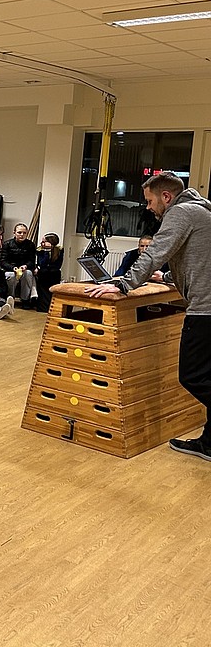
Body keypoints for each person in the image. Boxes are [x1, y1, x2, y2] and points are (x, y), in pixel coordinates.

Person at [85, 172, 211, 461]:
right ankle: (210, 443)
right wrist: (166, 277)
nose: (148, 207)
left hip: (205, 309)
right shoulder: (202, 212)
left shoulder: (180, 212)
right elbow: (199, 260)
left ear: (166, 197)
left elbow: (155, 252)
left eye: (150, 201)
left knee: (193, 376)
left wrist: (122, 284)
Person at [1, 223, 38, 308]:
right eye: (19, 232)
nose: (22, 235)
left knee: (28, 274)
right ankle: (10, 298)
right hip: (10, 269)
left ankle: (25, 300)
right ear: (14, 233)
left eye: (24, 233)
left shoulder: (30, 245)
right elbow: (3, 261)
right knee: (10, 276)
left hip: (24, 269)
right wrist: (12, 268)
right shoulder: (7, 244)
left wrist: (26, 266)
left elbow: (32, 261)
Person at [35, 232, 63, 313]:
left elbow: (58, 265)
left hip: (53, 272)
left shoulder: (59, 250)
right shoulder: (40, 250)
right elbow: (42, 263)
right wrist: (47, 251)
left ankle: (52, 305)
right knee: (44, 273)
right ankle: (43, 306)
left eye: (44, 241)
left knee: (55, 273)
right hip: (43, 272)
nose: (42, 243)